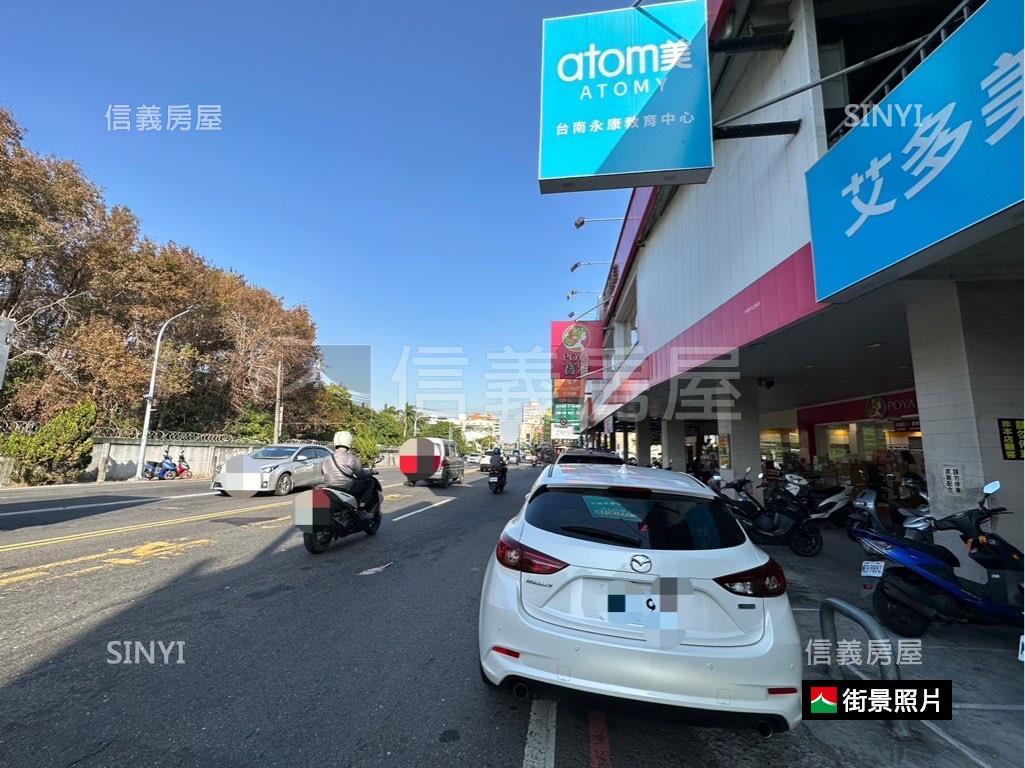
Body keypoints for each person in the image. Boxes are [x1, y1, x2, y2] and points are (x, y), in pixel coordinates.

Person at [321, 431, 375, 520]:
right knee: (370, 482)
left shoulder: (326, 459)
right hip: (347, 487)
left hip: (329, 487)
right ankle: (361, 509)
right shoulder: (351, 458)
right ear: (348, 441)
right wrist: (371, 472)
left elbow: (323, 473)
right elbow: (360, 474)